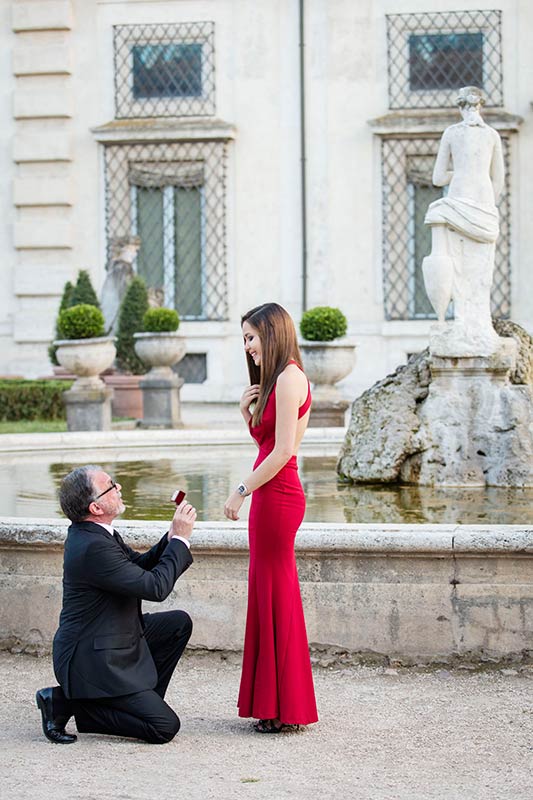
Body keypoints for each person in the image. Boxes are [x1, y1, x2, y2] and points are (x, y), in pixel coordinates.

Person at [36, 465, 196, 745]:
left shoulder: (97, 533)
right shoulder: (93, 546)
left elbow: (138, 568)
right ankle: (70, 704)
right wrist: (182, 539)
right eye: (112, 485)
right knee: (164, 727)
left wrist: (171, 537)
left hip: (110, 637)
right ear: (96, 507)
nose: (119, 487)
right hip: (88, 658)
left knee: (177, 624)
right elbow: (155, 588)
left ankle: (132, 702)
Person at [223, 302, 318, 733]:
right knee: (268, 592)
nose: (247, 347)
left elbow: (283, 453)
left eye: (251, 337)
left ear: (271, 333)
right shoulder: (278, 379)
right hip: (272, 495)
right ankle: (275, 703)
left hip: (277, 496)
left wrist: (241, 490)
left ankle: (283, 706)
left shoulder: (290, 377)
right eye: (244, 339)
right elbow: (268, 443)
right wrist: (248, 414)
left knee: (275, 593)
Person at [422, 85, 505, 354]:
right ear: (481, 106)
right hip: (483, 203)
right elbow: (499, 179)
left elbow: (436, 179)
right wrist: (488, 203)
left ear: (460, 107)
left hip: (457, 199)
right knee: (482, 272)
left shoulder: (451, 133)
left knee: (458, 266)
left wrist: (457, 174)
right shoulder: (492, 135)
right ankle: (479, 326)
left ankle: (460, 324)